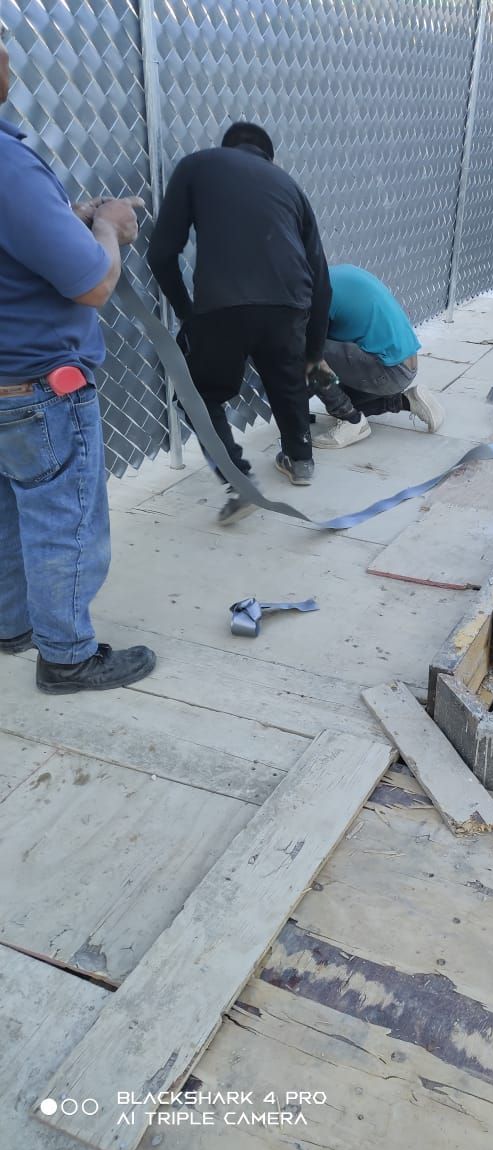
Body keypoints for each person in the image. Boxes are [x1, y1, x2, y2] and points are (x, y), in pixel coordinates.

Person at [0, 26, 156, 694]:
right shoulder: (7, 163)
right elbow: (92, 282)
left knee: (12, 513)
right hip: (41, 389)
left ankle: (11, 624)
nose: (9, 59)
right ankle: (68, 657)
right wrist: (110, 226)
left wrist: (72, 214)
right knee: (64, 522)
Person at [147, 121, 331, 524]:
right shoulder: (288, 185)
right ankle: (301, 460)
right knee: (286, 378)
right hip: (289, 303)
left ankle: (239, 482)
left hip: (222, 304)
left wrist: (188, 314)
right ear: (269, 157)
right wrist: (313, 353)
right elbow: (320, 276)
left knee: (199, 393)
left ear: (227, 148)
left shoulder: (196, 166)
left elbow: (161, 254)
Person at [309, 264, 444, 450]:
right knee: (343, 401)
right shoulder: (337, 274)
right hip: (404, 365)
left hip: (389, 370)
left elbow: (313, 355)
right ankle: (406, 401)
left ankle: (352, 422)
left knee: (303, 350)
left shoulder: (317, 295)